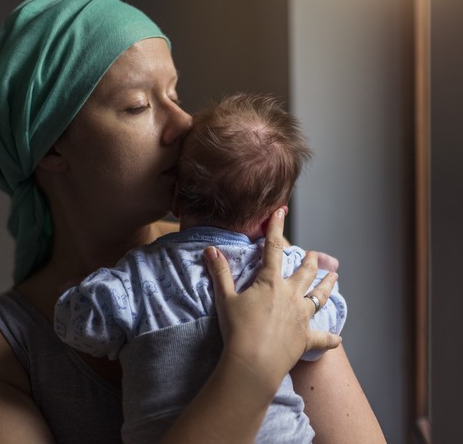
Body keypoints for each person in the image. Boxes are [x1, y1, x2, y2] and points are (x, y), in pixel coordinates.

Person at [0, 0, 386, 443]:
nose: (184, 124)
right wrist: (253, 367)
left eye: (175, 94)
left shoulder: (252, 261)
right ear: (51, 146)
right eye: (138, 106)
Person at [54, 92, 346, 443]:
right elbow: (321, 334)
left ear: (175, 200)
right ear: (273, 219)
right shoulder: (283, 275)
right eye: (137, 104)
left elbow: (79, 326)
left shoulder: (136, 276)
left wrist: (80, 289)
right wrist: (316, 272)